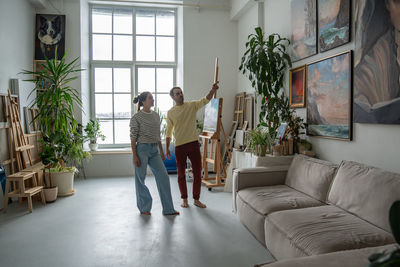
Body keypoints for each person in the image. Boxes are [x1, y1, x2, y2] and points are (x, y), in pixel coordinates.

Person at [165, 82, 219, 208]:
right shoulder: (171, 112)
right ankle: (184, 199)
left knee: (197, 172)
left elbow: (205, 100)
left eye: (181, 92)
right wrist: (167, 148)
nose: (180, 95)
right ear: (173, 98)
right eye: (177, 94)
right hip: (180, 146)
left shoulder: (191, 106)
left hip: (193, 144)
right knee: (181, 174)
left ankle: (196, 199)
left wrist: (212, 90)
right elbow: (168, 131)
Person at [130, 91, 179, 216]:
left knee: (163, 176)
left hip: (154, 150)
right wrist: (135, 155)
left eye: (153, 98)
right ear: (143, 101)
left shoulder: (156, 116)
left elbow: (158, 136)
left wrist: (161, 152)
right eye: (150, 98)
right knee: (140, 179)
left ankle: (168, 209)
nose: (153, 100)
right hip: (141, 150)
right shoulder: (136, 117)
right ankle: (144, 207)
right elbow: (133, 137)